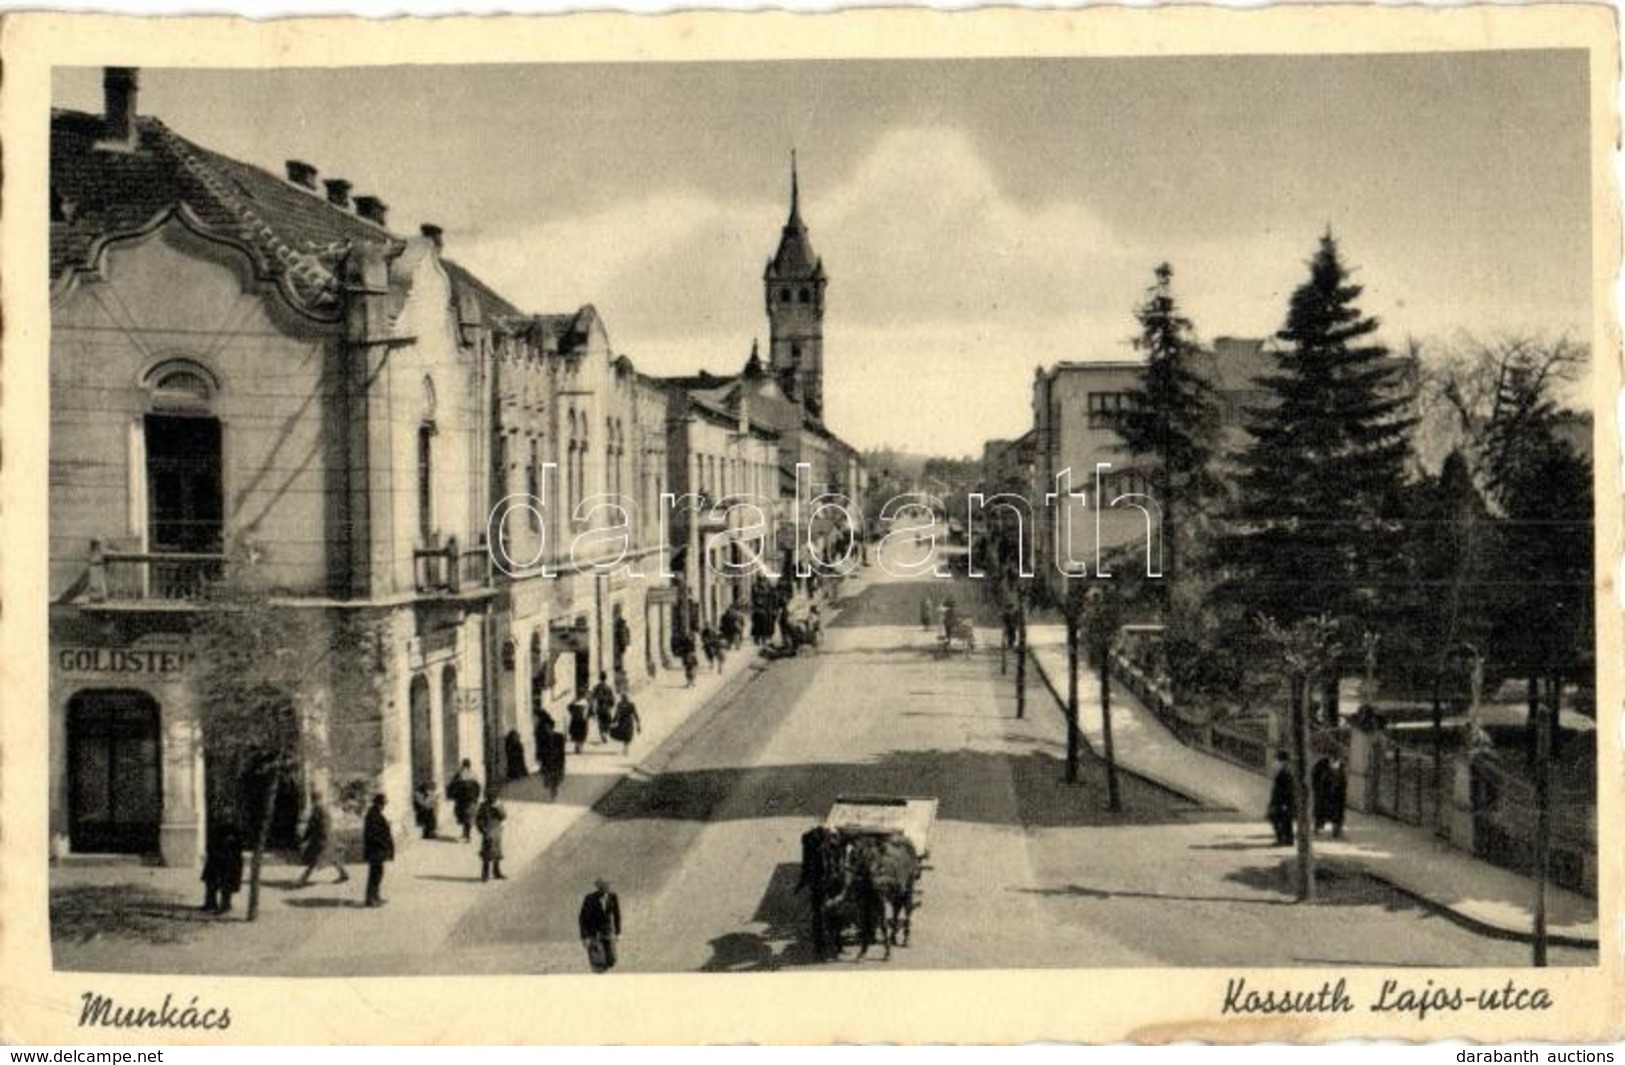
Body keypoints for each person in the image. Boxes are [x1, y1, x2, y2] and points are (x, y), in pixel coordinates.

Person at [296, 791, 349, 887]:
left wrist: (304, 839)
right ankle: (343, 874)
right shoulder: (325, 809)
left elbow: (311, 827)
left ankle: (302, 880)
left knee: (314, 859)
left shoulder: (317, 810)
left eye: (314, 800)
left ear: (314, 800)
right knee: (332, 857)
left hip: (321, 839)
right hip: (329, 837)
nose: (314, 802)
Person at [578, 878, 622, 973]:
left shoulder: (613, 897)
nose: (606, 889)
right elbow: (582, 918)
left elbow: (617, 915)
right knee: (598, 963)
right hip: (594, 934)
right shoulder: (589, 899)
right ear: (598, 887)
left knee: (612, 960)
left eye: (608, 886)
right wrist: (585, 937)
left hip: (608, 933)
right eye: (603, 886)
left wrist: (618, 932)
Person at [201, 819, 244, 914]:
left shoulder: (235, 825)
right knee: (210, 880)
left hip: (229, 856)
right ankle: (211, 903)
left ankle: (225, 905)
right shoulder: (217, 823)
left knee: (227, 882)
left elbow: (238, 842)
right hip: (216, 854)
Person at [362, 793, 394, 907]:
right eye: (383, 804)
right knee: (375, 875)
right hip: (375, 850)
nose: (384, 806)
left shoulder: (375, 813)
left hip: (377, 850)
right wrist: (385, 840)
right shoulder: (373, 815)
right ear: (378, 803)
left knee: (378, 874)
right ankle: (370, 899)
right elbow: (374, 834)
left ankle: (375, 896)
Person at [1311, 752, 1349, 839]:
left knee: (1337, 814)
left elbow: (1343, 782)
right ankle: (1318, 827)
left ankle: (1336, 831)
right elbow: (1315, 776)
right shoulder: (1321, 764)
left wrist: (1342, 793)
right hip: (1324, 794)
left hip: (1336, 795)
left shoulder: (1341, 767)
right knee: (1321, 812)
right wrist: (1317, 789)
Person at [446, 761, 482, 842]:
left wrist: (452, 796)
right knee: (468, 817)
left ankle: (466, 834)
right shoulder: (474, 774)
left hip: (462, 800)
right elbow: (478, 787)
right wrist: (476, 797)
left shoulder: (459, 774)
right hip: (471, 800)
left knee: (464, 817)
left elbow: (452, 785)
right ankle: (467, 834)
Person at [475, 792, 507, 881]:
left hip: (497, 831)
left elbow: (503, 816)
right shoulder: (483, 806)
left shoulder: (498, 805)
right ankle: (485, 874)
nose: (492, 799)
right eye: (490, 797)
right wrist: (482, 830)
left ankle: (496, 872)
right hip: (488, 831)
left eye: (494, 797)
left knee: (497, 853)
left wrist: (497, 808)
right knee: (486, 853)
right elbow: (478, 819)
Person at [1267, 750, 1296, 847]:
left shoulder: (1285, 773)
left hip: (1282, 802)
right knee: (1285, 821)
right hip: (1282, 802)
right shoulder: (1284, 771)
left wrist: (1285, 803)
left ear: (1282, 761)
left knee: (1277, 819)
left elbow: (1288, 790)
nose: (1275, 763)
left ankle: (1282, 840)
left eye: (1277, 760)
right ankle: (1288, 840)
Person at [540, 726, 568, 800]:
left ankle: (554, 791)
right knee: (550, 778)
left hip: (557, 761)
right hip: (548, 762)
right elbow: (541, 751)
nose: (547, 730)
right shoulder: (544, 739)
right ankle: (553, 792)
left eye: (548, 728)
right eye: (546, 729)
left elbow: (562, 751)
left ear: (552, 728)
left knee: (556, 778)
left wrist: (562, 762)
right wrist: (541, 761)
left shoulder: (558, 737)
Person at [591, 673, 617, 744]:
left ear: (599, 678)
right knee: (608, 721)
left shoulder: (596, 687)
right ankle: (605, 733)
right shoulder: (608, 688)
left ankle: (602, 733)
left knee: (600, 721)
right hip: (606, 707)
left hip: (599, 707)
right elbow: (612, 699)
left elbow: (592, 697)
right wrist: (611, 705)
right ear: (606, 678)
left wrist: (593, 708)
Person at [532, 707, 556, 772]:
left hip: (544, 740)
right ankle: (544, 767)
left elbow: (547, 731)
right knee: (544, 754)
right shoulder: (544, 721)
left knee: (544, 754)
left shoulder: (544, 722)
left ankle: (545, 768)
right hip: (543, 740)